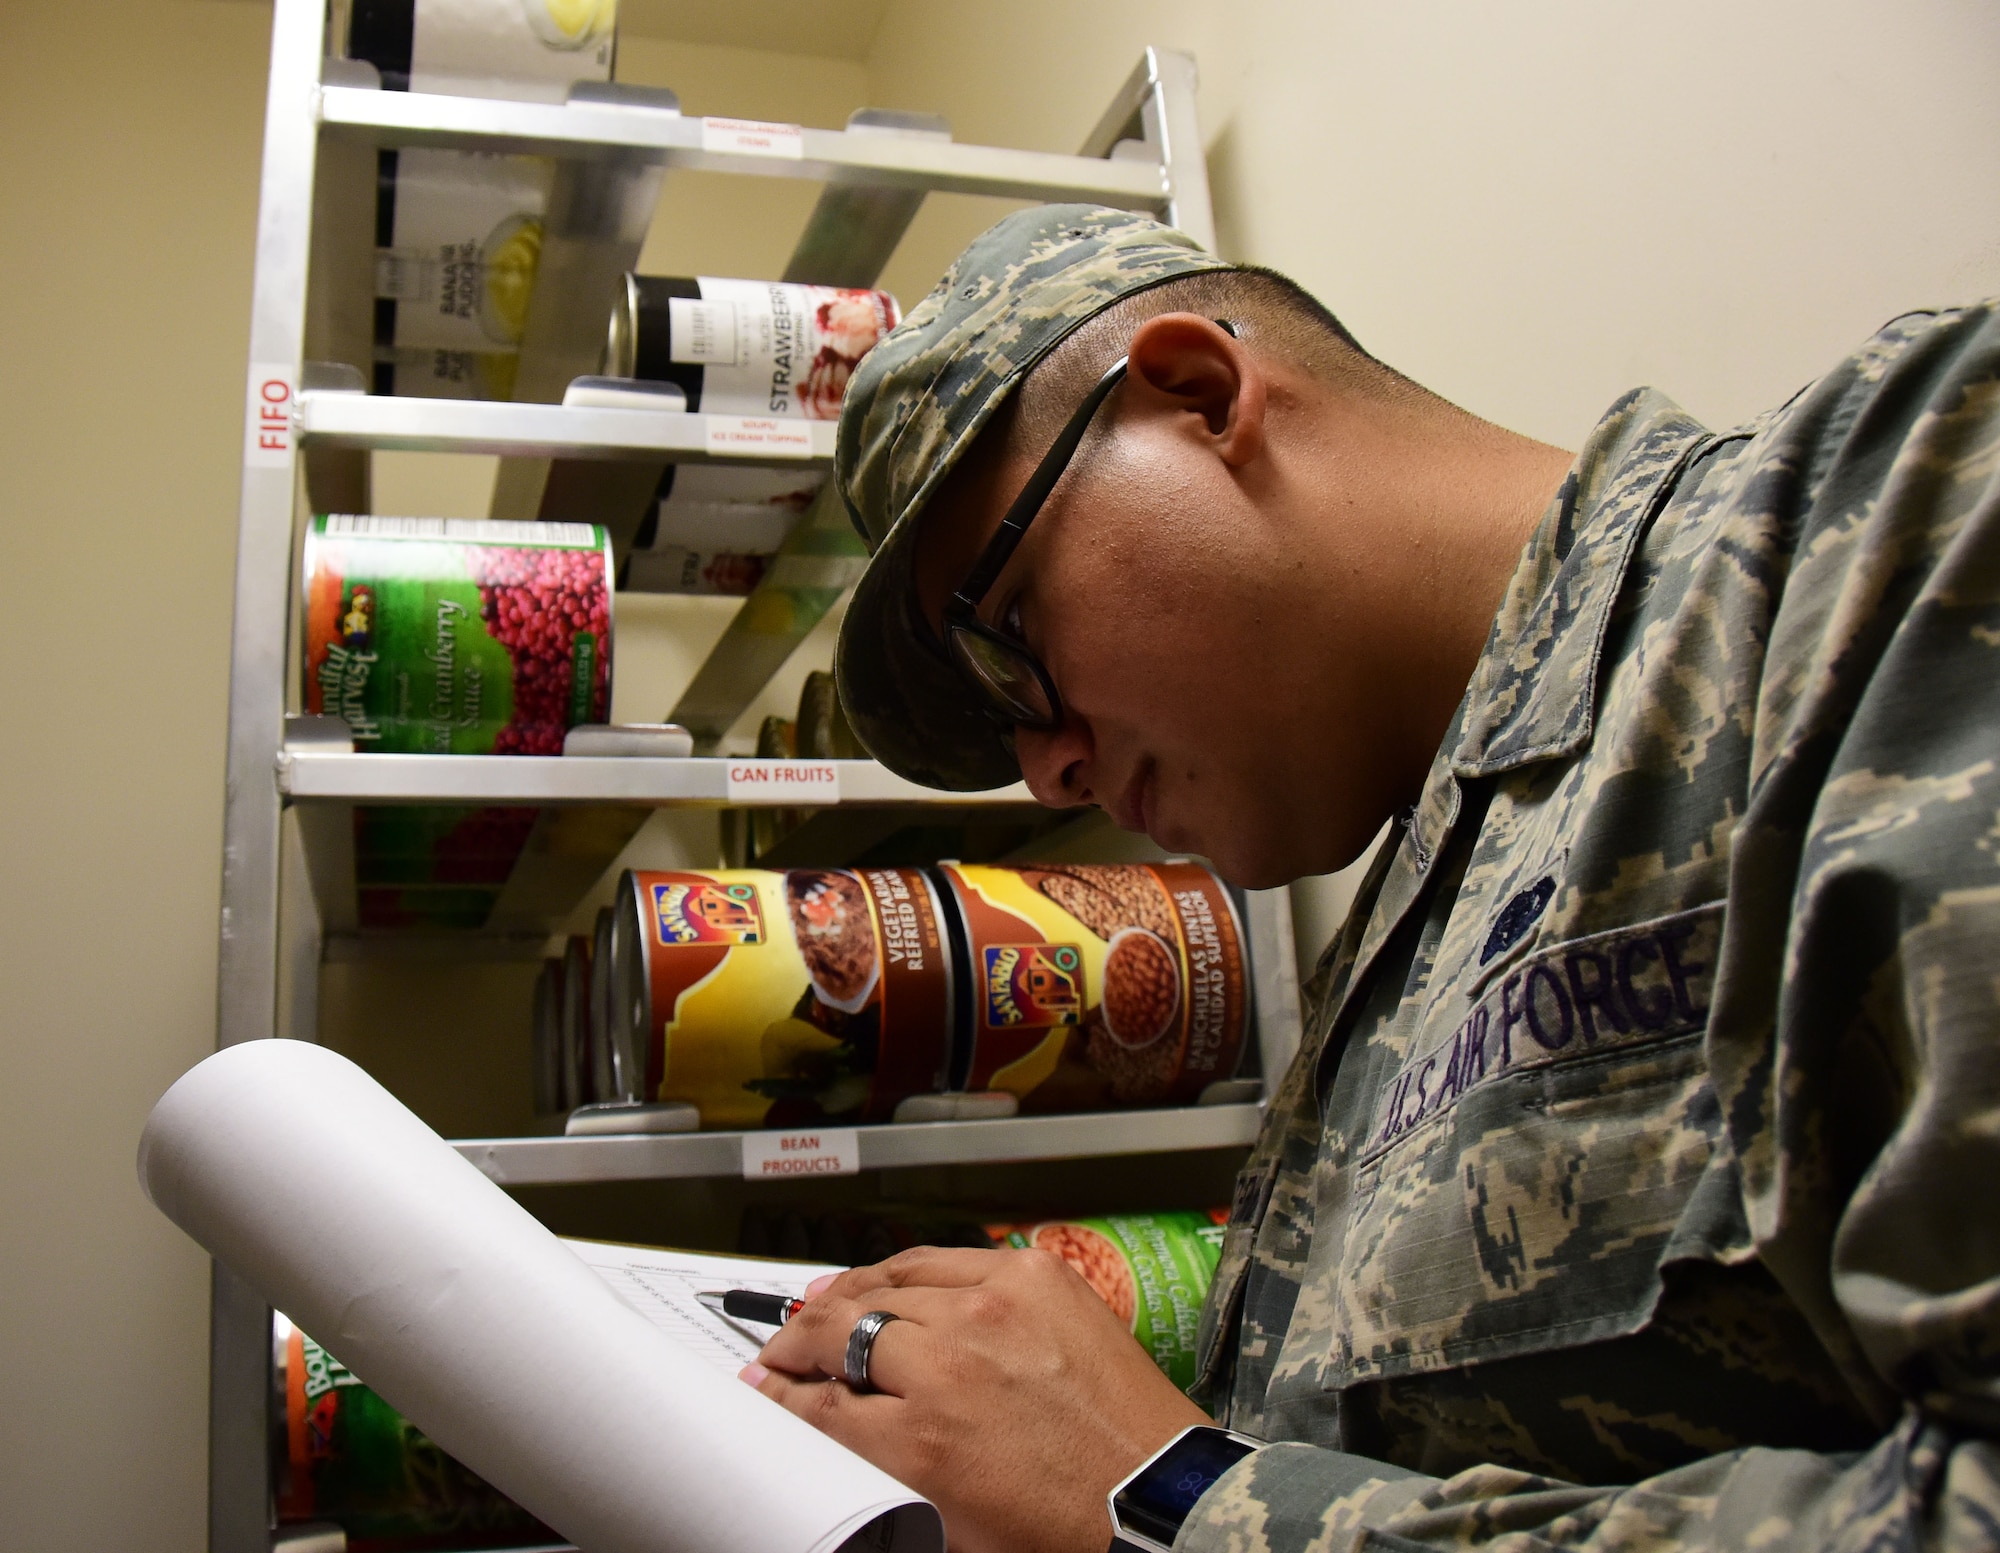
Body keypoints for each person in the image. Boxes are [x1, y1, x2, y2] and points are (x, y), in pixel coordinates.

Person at [736, 204, 2000, 1553]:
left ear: (1198, 393)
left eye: (1009, 649)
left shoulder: (1886, 521)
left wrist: (1167, 1499)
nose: (1046, 771)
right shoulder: (1392, 968)